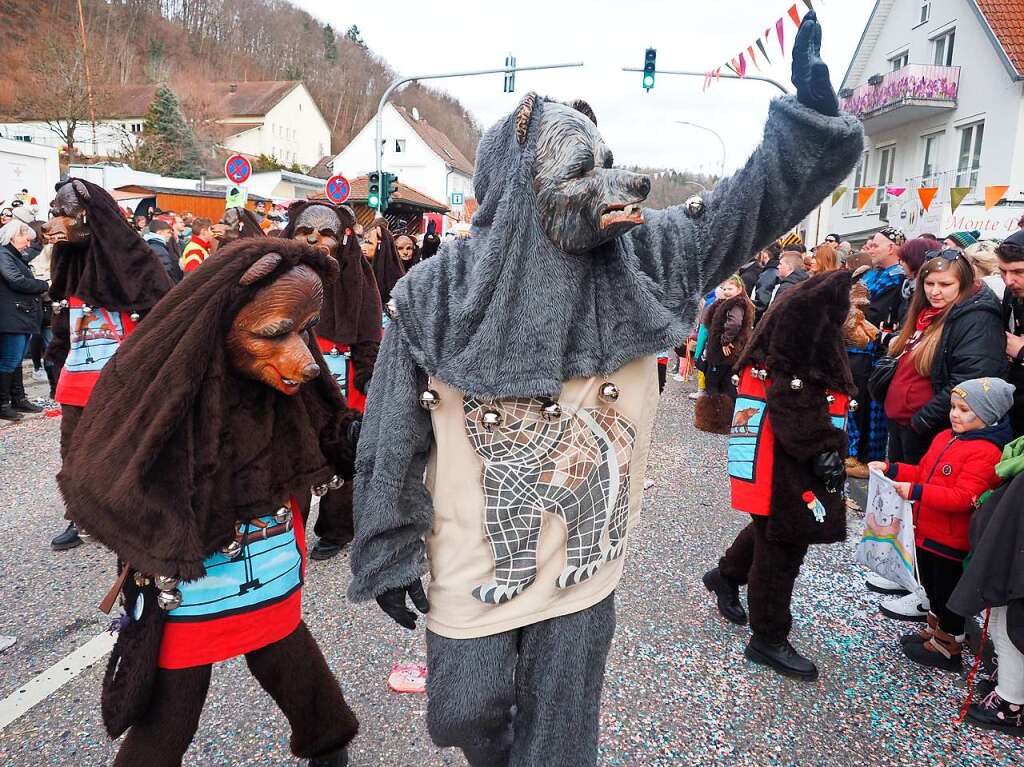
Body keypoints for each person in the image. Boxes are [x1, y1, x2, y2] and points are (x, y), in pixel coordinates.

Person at [350, 12, 864, 762]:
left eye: (607, 161)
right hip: (473, 551)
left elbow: (745, 205)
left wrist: (807, 129)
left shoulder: (650, 256)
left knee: (560, 737)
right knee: (460, 713)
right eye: (579, 169)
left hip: (585, 558)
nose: (610, 183)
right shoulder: (436, 292)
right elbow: (392, 432)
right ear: (519, 184)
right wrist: (390, 545)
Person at [57, 238, 360, 767]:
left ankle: (329, 741)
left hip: (269, 558)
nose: (305, 361)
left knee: (287, 651)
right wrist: (163, 536)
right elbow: (99, 475)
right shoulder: (162, 386)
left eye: (303, 330)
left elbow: (329, 430)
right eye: (276, 334)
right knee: (174, 702)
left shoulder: (280, 377)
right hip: (193, 576)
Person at [704, 271, 855, 681]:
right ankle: (767, 636)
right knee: (783, 543)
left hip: (774, 443)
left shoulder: (793, 312)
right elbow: (793, 392)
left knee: (771, 526)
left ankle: (727, 575)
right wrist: (821, 446)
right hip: (783, 449)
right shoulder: (808, 320)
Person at [43, 179, 174, 552]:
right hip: (78, 381)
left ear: (86, 215)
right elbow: (63, 319)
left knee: (134, 450)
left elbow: (161, 318)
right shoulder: (68, 260)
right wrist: (56, 359)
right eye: (53, 213)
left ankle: (139, 513)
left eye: (62, 213)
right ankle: (81, 517)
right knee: (73, 453)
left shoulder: (135, 259)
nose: (53, 222)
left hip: (125, 382)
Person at [875, 250, 1007, 621]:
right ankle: (911, 576)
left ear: (963, 283)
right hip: (911, 423)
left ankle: (927, 593)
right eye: (929, 283)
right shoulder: (929, 314)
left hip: (932, 428)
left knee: (930, 508)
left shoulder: (974, 317)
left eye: (944, 284)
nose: (935, 291)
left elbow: (968, 379)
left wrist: (921, 419)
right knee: (911, 505)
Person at [870, 377, 1013, 671]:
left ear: (988, 415)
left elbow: (963, 498)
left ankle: (949, 646)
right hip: (928, 532)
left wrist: (916, 492)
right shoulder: (946, 437)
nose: (955, 414)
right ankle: (935, 632)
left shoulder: (986, 453)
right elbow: (924, 471)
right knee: (933, 588)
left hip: (952, 540)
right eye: (953, 407)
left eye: (964, 410)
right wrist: (893, 468)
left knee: (948, 594)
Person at [283, 201, 382, 560]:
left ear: (341, 238)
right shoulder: (276, 273)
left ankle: (337, 529)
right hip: (292, 372)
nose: (315, 240)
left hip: (345, 373)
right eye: (306, 232)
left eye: (326, 233)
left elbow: (369, 330)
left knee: (343, 452)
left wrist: (368, 373)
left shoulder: (358, 273)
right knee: (292, 453)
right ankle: (290, 530)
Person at [948, 433, 1024, 734]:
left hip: (1015, 565)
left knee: (1013, 626)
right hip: (1009, 558)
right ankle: (1008, 681)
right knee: (1000, 622)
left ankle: (1011, 704)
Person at [845, 227, 906, 479]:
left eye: (875, 245)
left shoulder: (896, 278)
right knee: (853, 400)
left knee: (866, 403)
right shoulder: (871, 274)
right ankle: (851, 450)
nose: (870, 249)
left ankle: (866, 457)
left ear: (891, 248)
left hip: (871, 349)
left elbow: (875, 313)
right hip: (852, 344)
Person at [693, 275, 754, 434]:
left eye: (730, 289)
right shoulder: (733, 304)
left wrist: (725, 340)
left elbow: (734, 323)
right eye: (725, 288)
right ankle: (728, 420)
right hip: (728, 354)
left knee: (713, 384)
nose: (726, 292)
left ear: (739, 289)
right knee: (727, 386)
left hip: (722, 353)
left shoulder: (736, 305)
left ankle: (714, 421)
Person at [0, 220, 47, 421]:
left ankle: (18, 398)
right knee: (10, 360)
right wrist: (43, 284)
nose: (28, 244)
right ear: (13, 236)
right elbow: (16, 280)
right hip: (12, 316)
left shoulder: (11, 255)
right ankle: (3, 404)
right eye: (26, 240)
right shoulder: (4, 254)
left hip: (19, 314)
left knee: (16, 360)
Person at [998, 231, 1024, 437]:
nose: (1009, 280)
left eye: (1018, 271)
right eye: (1002, 272)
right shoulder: (1011, 293)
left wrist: (1022, 351)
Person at [360, 218, 404, 309]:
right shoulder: (360, 269)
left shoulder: (395, 281)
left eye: (369, 243)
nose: (363, 246)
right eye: (364, 242)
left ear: (381, 245)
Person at [751, 241, 782, 322]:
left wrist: (752, 320)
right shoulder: (774, 271)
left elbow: (761, 302)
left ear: (765, 254)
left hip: (761, 319)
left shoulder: (768, 274)